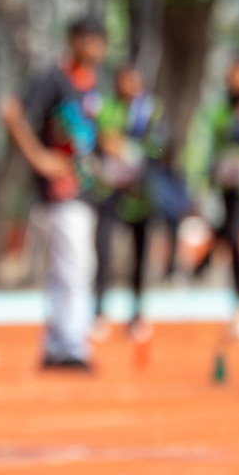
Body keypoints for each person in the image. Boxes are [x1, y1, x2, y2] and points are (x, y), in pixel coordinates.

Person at [2, 17, 107, 370]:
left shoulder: (94, 86)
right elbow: (11, 110)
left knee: (69, 268)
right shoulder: (54, 78)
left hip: (84, 189)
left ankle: (57, 343)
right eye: (89, 39)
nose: (95, 48)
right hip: (60, 191)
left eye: (100, 41)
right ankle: (71, 344)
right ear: (74, 40)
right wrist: (39, 157)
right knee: (75, 267)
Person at [93, 63, 165, 342]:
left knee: (140, 255)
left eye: (133, 82)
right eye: (123, 81)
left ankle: (137, 315)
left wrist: (131, 151)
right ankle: (99, 313)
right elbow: (99, 140)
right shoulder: (106, 107)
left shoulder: (151, 110)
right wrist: (109, 145)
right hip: (109, 192)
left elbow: (160, 146)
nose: (128, 87)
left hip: (141, 195)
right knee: (104, 251)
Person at [194, 53, 239, 339]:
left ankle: (210, 260)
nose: (236, 81)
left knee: (237, 236)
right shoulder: (219, 109)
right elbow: (206, 141)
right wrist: (202, 177)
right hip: (225, 184)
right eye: (232, 75)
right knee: (233, 236)